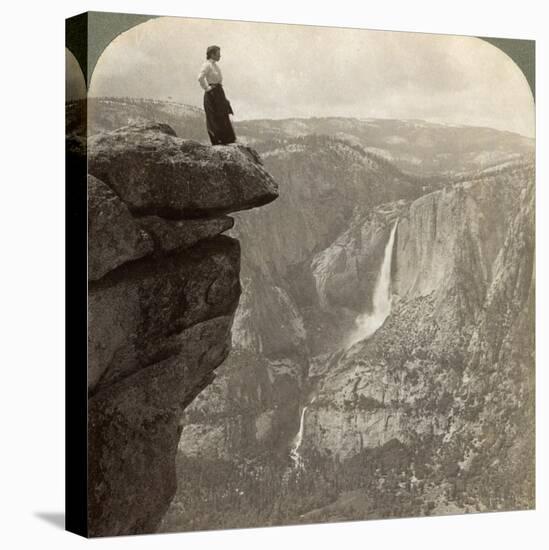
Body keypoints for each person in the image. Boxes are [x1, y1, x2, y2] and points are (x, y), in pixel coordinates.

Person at [198, 45, 236, 145]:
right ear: (212, 54)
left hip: (218, 92)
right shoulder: (207, 65)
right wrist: (207, 88)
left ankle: (226, 139)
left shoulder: (215, 66)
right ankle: (217, 140)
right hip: (212, 93)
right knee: (214, 116)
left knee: (223, 115)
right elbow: (200, 77)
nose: (220, 56)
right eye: (218, 54)